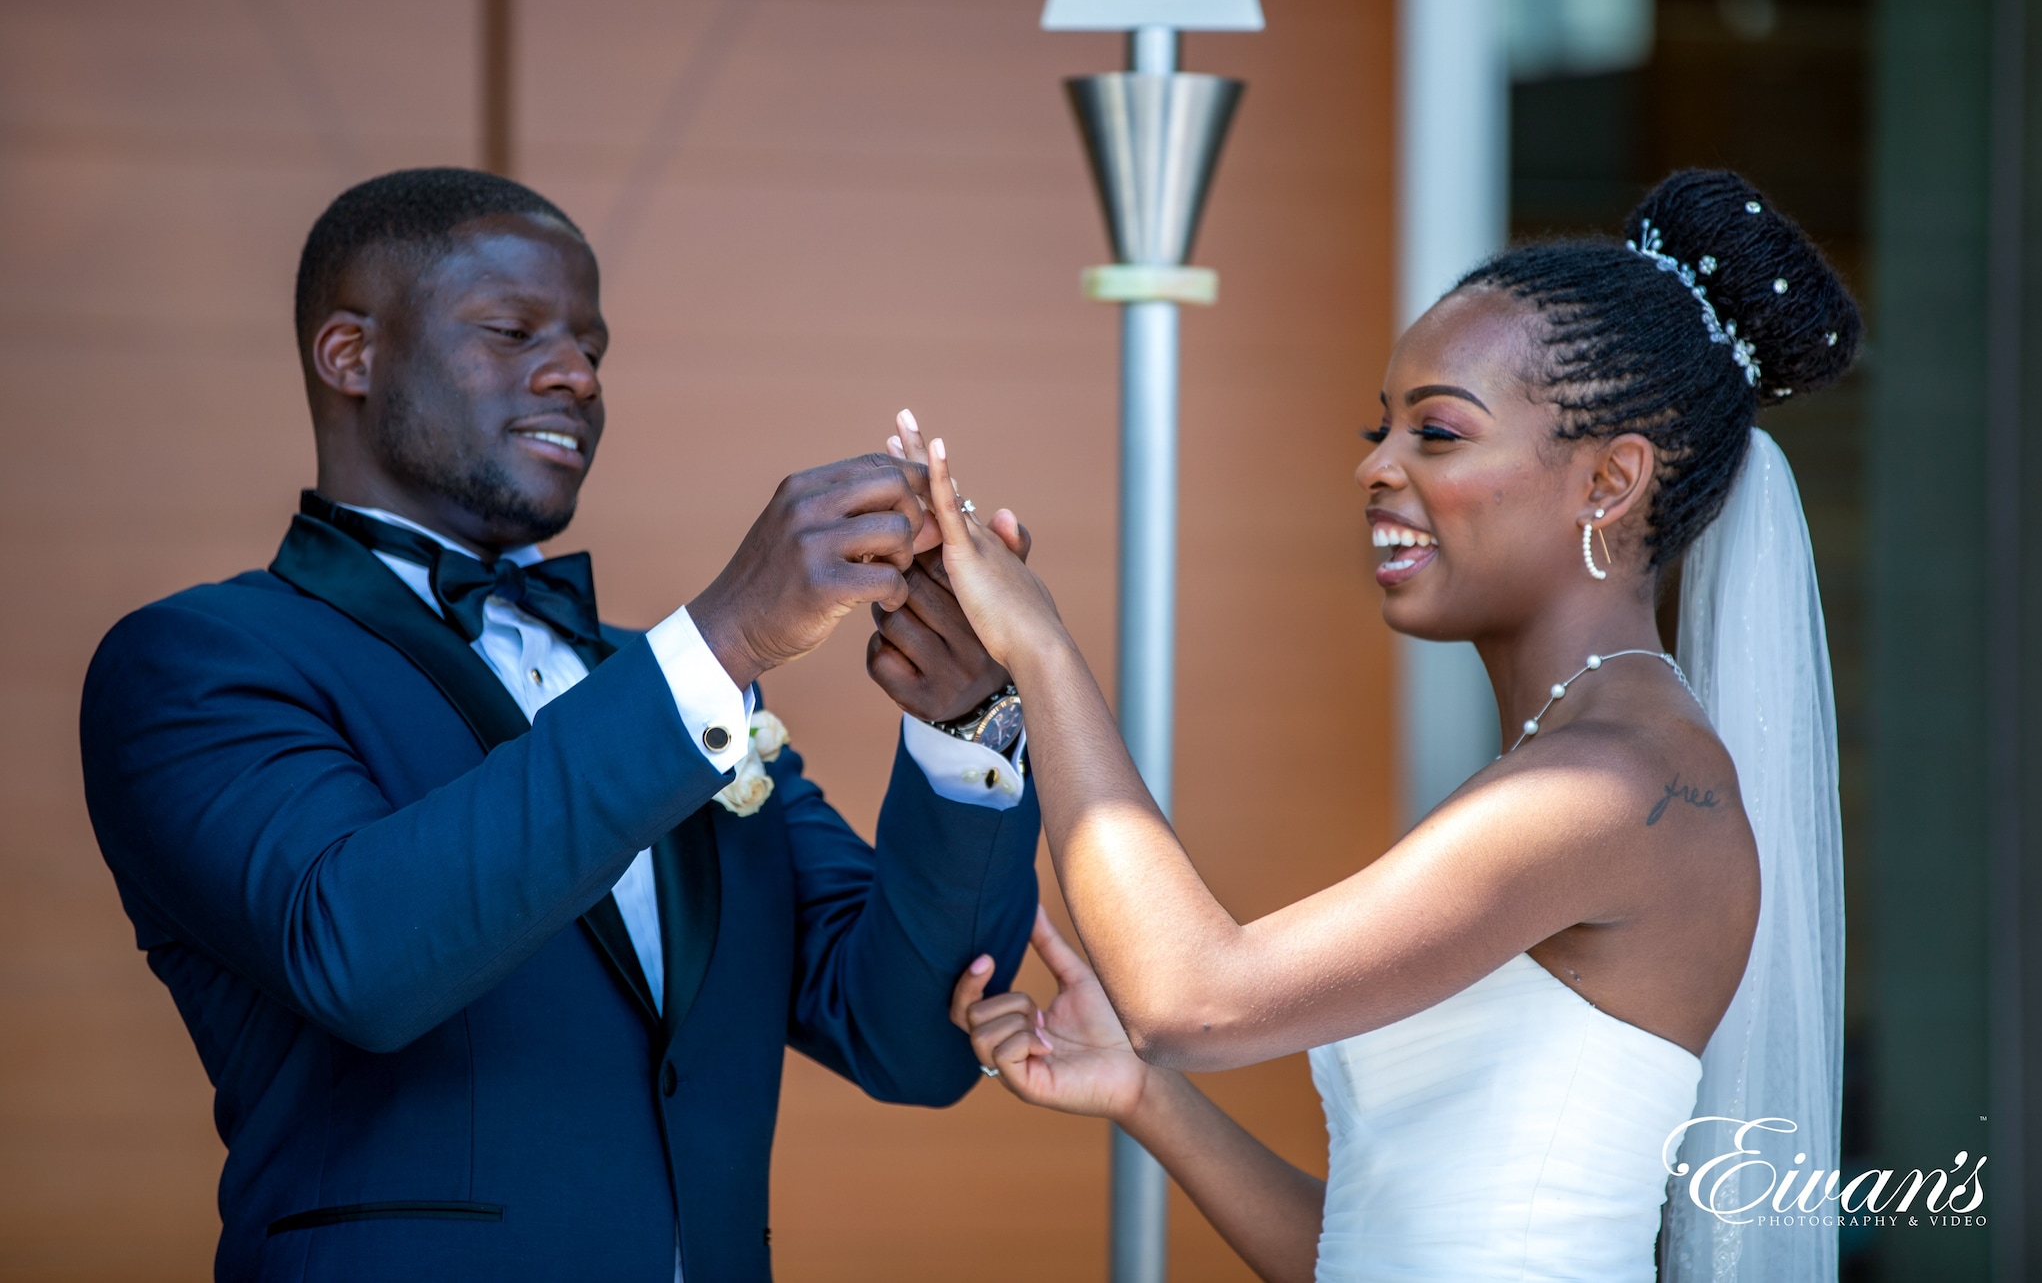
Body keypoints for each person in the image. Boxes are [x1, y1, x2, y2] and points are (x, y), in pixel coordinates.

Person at [78, 168, 1041, 1283]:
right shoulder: (199, 662)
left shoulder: (670, 690)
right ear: (349, 355)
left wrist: (962, 721)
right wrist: (722, 637)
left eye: (592, 346)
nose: (576, 375)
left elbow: (911, 1042)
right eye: (511, 329)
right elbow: (362, 957)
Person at [927, 169, 1854, 1282]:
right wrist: (1144, 1096)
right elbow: (1385, 1250)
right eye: (1382, 429)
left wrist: (1039, 649)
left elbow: (1189, 998)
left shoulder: (1614, 787)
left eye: (1437, 433)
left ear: (1608, 482)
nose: (1375, 466)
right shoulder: (1579, 765)